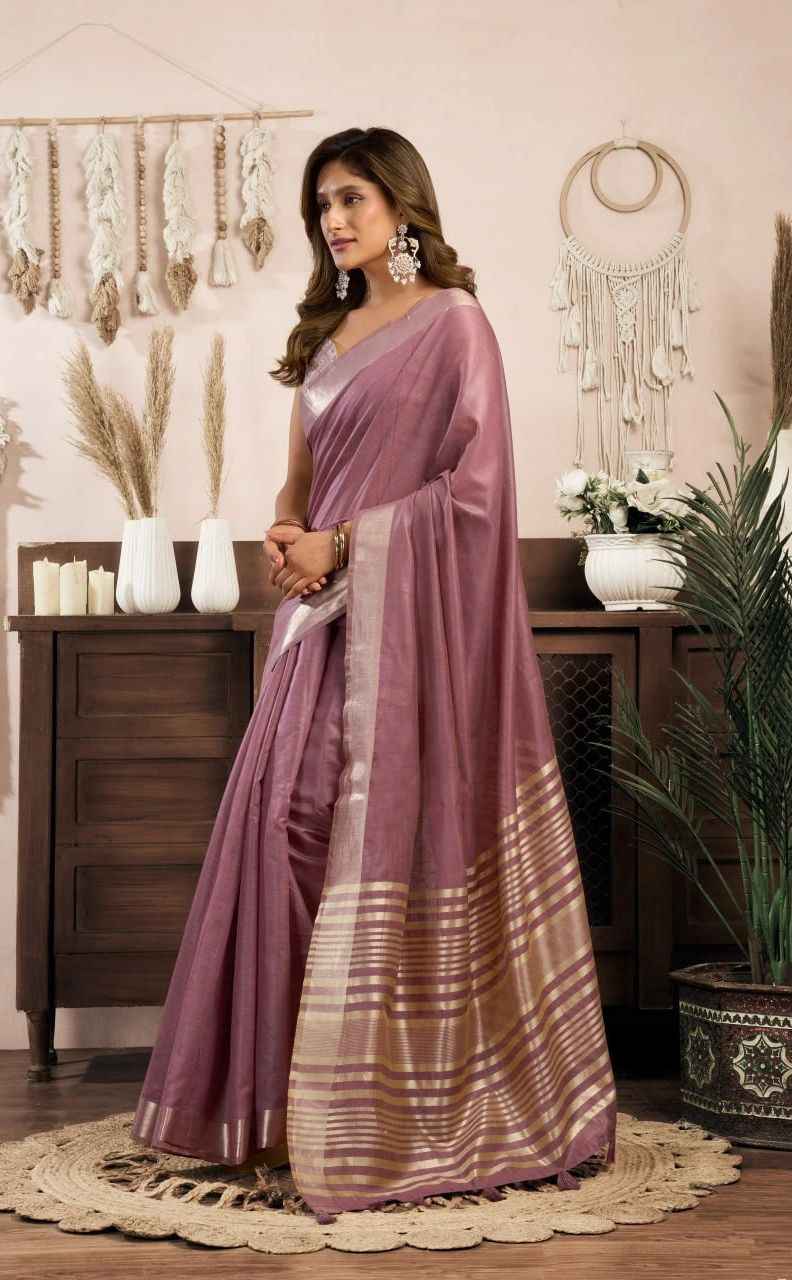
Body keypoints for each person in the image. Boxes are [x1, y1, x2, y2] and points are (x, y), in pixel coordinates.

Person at [131, 126, 617, 1221]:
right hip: (317, 628)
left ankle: (389, 1111)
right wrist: (287, 533)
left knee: (363, 838)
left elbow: (476, 491)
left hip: (401, 636)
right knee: (280, 831)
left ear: (402, 205)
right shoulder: (324, 334)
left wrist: (345, 544)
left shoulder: (453, 323)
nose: (334, 220)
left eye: (352, 198)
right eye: (321, 205)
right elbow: (298, 483)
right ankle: (279, 1110)